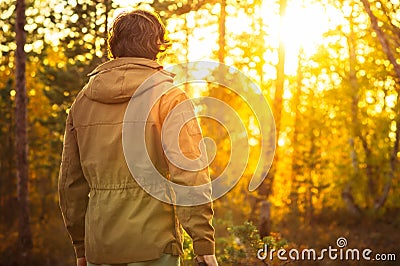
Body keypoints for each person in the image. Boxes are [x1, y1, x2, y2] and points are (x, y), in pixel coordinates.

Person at [58, 9, 218, 266]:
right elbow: (190, 174)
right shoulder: (169, 96)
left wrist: (80, 245)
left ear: (115, 47)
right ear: (157, 45)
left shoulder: (83, 101)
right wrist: (203, 243)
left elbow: (70, 183)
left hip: (101, 247)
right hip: (154, 246)